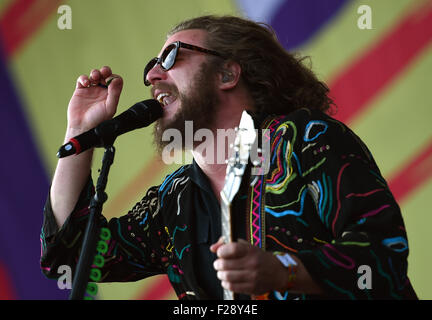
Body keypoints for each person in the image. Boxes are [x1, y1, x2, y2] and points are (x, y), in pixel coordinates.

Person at [40, 15, 417, 300]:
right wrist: (80, 132)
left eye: (171, 57)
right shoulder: (175, 199)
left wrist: (281, 270)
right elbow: (70, 260)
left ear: (227, 72)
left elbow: (383, 256)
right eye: (151, 66)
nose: (152, 75)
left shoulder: (307, 140)